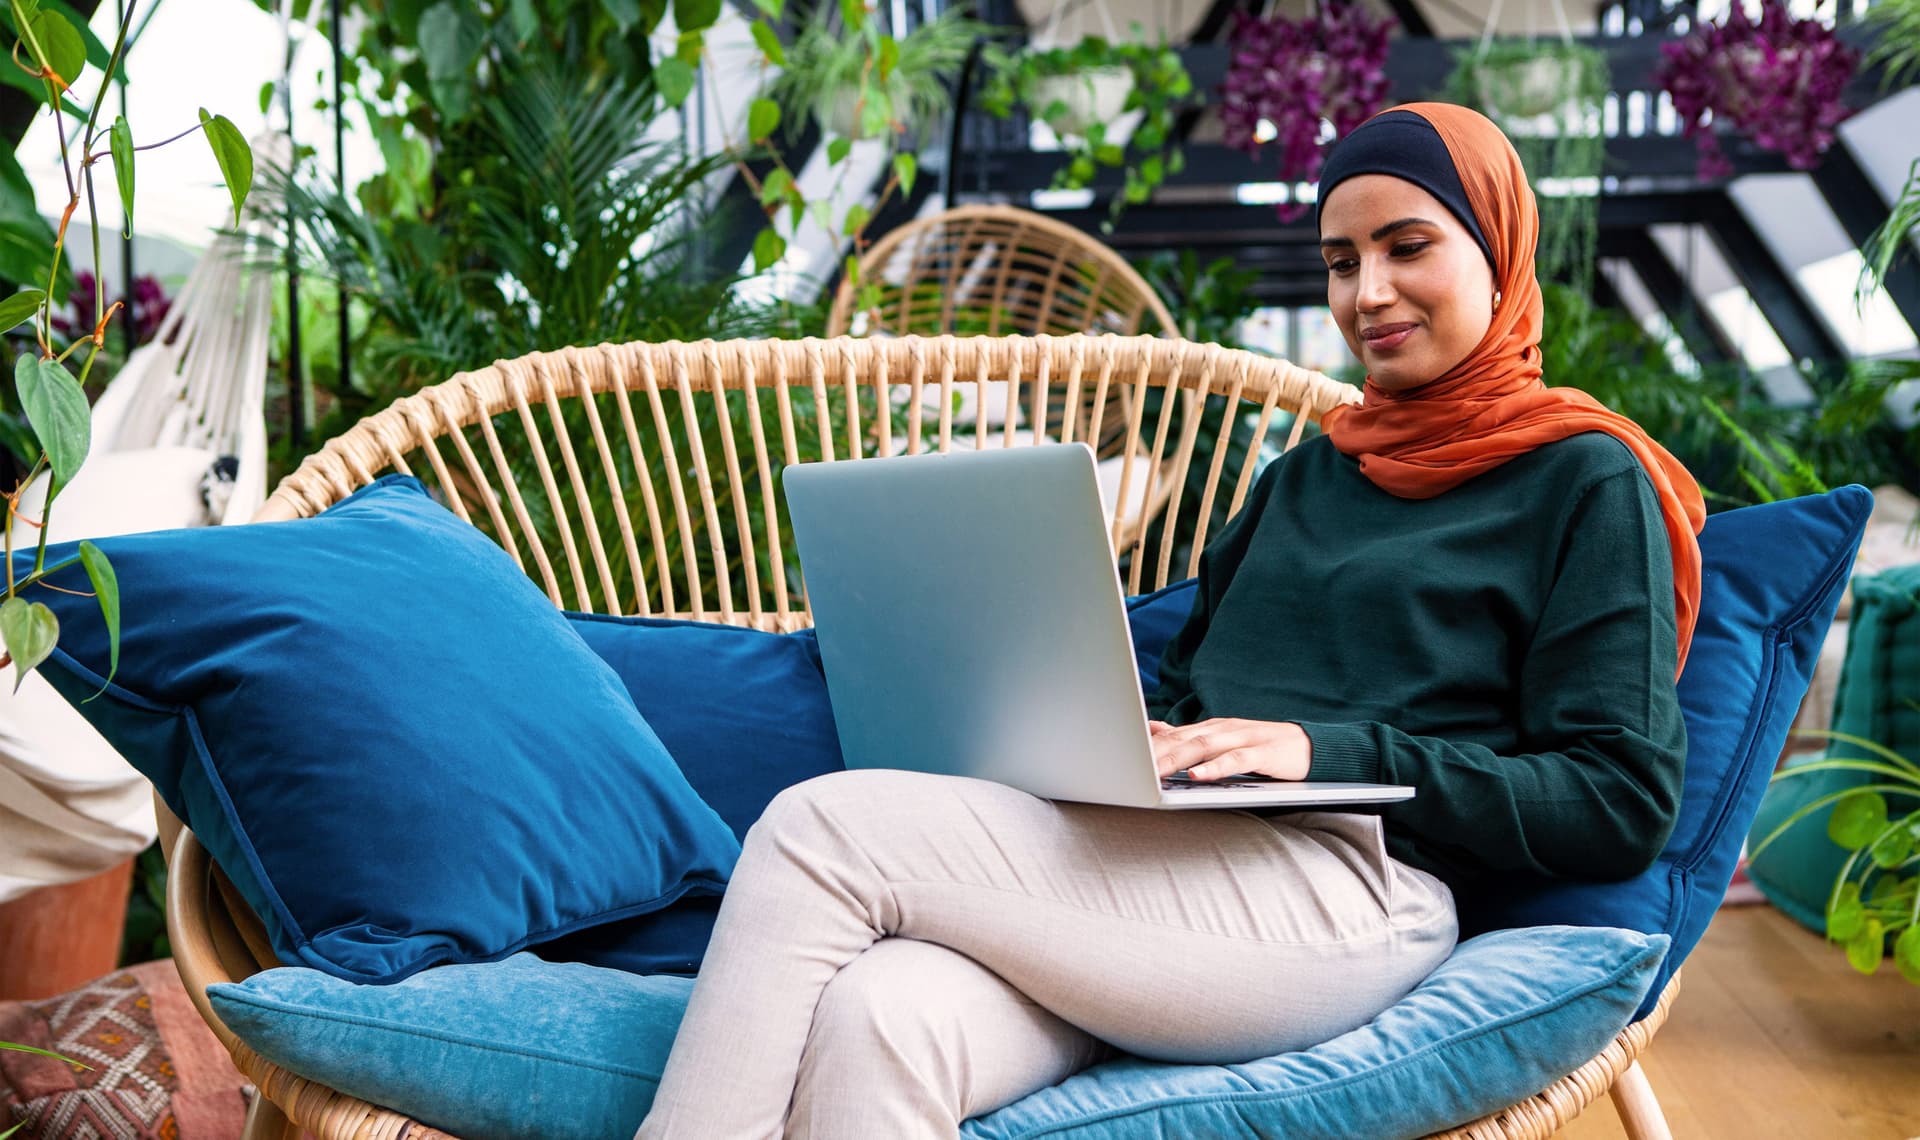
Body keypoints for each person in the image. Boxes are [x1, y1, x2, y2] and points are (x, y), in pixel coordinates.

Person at [635, 102, 1705, 1140]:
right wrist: (1118, 734)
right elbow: (1202, 688)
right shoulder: (1303, 481)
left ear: (1498, 250)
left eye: (1407, 246)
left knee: (821, 829)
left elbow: (1617, 797)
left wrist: (1319, 752)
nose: (1367, 292)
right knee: (884, 1015)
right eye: (1340, 261)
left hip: (1359, 893)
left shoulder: (1583, 479)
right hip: (1166, 867)